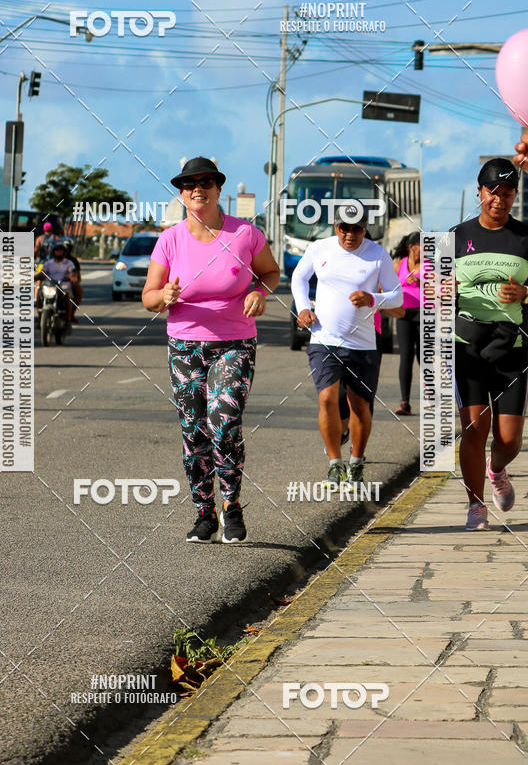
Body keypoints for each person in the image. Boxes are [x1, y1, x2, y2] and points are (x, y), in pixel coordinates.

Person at [142, 156, 280, 544]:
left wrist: (258, 292)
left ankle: (231, 505)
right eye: (188, 184)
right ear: (181, 194)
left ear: (219, 189)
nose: (197, 189)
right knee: (194, 430)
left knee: (224, 422)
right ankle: (204, 513)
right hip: (185, 347)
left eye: (206, 182)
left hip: (234, 344)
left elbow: (270, 273)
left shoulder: (245, 235)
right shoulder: (170, 240)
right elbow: (148, 296)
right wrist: (162, 295)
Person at [292, 205, 403, 488]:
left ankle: (357, 461)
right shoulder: (320, 249)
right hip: (324, 339)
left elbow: (397, 296)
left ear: (365, 228)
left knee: (359, 406)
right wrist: (304, 308)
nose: (350, 234)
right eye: (344, 228)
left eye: (357, 229)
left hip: (363, 344)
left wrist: (372, 299)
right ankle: (334, 464)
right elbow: (299, 278)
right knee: (327, 399)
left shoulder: (377, 255)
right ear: (335, 225)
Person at [451, 158, 528, 531]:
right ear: (480, 191)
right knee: (474, 429)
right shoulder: (454, 236)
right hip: (467, 347)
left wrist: (526, 292)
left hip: (511, 348)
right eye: (492, 193)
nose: (499, 200)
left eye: (507, 194)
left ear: (515, 196)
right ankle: (475, 506)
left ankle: (496, 468)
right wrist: (441, 291)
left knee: (509, 439)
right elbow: (432, 294)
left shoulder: (525, 237)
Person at [391, 231, 423, 415]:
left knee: (424, 358)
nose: (426, 251)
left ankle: (432, 399)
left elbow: (441, 285)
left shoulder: (430, 266)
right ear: (412, 247)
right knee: (406, 356)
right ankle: (405, 403)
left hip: (426, 314)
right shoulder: (398, 266)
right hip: (404, 315)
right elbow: (388, 287)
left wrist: (421, 279)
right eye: (422, 246)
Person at [36, 241, 76, 322]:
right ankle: (40, 315)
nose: (59, 252)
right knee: (39, 293)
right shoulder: (48, 263)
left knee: (69, 297)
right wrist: (36, 277)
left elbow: (72, 272)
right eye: (57, 250)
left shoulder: (69, 263)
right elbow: (43, 273)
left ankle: (68, 319)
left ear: (64, 252)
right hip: (50, 285)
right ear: (54, 252)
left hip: (64, 286)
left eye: (61, 251)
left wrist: (72, 277)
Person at [61, 237, 82, 322]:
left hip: (67, 284)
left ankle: (71, 316)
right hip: (53, 283)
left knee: (79, 291)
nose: (66, 249)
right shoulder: (51, 259)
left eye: (68, 247)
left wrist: (75, 281)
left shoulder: (73, 260)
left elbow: (77, 275)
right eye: (64, 247)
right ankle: (40, 315)